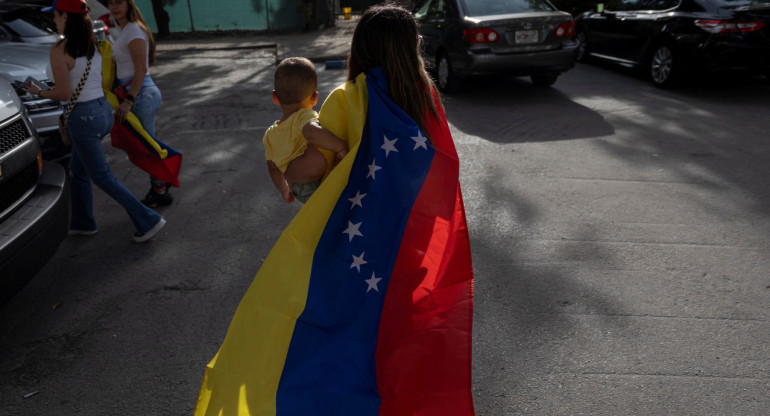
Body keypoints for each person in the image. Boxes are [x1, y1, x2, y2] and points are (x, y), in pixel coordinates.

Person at [194, 4, 474, 415]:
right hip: (406, 241)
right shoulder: (424, 96)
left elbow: (316, 171)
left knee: (337, 331)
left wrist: (286, 163)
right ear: (411, 49)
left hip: (353, 240)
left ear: (360, 47)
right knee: (395, 329)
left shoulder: (347, 98)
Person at [27, 0, 166, 243]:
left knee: (102, 176)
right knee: (78, 169)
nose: (54, 19)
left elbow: (63, 94)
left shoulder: (59, 49)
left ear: (66, 17)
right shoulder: (93, 44)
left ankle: (148, 220)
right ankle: (82, 223)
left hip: (83, 118)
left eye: (56, 15)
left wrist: (37, 92)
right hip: (102, 112)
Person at [108, 0, 171, 207]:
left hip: (140, 94)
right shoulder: (125, 29)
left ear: (129, 5)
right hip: (136, 93)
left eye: (119, 2)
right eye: (110, 3)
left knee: (146, 147)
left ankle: (160, 191)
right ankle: (164, 177)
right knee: (145, 144)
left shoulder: (134, 30)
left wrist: (129, 100)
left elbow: (141, 70)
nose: (114, 7)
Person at [263, 57, 348, 204]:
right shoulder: (303, 116)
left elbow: (273, 168)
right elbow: (311, 131)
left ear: (275, 97)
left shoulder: (270, 134)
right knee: (322, 137)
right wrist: (340, 147)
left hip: (298, 189)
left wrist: (284, 189)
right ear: (314, 98)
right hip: (313, 177)